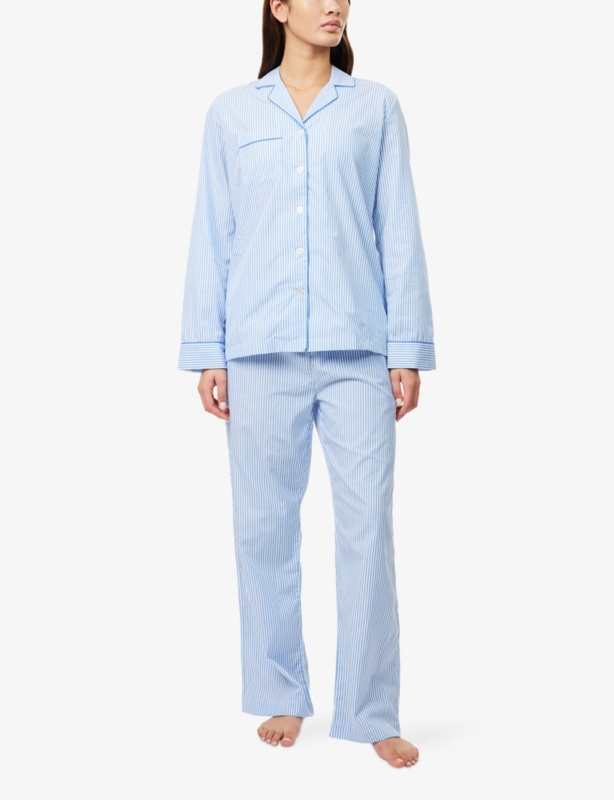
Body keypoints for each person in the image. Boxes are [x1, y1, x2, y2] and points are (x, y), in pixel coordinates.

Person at [178, 0, 435, 770]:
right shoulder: (231, 114)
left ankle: (370, 711)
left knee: (367, 531)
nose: (335, 6)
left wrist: (406, 348)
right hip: (259, 347)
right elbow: (213, 233)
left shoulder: (375, 109)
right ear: (278, 7)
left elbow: (397, 228)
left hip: (357, 346)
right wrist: (209, 352)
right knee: (262, 530)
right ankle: (280, 691)